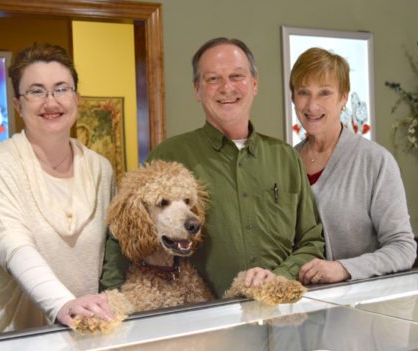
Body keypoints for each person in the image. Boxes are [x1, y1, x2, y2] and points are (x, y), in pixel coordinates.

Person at [100, 37, 324, 297]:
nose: (227, 87)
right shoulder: (170, 155)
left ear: (254, 84)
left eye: (237, 76)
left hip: (281, 312)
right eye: (213, 79)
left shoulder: (285, 158)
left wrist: (278, 277)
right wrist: (109, 301)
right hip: (201, 317)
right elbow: (123, 238)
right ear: (197, 89)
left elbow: (311, 241)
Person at [0, 43, 114, 336]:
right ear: (18, 105)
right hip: (7, 340)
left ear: (77, 98)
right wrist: (62, 303)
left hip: (78, 334)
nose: (51, 102)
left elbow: (111, 257)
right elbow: (12, 244)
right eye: (36, 91)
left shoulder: (100, 168)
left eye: (61, 89)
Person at [290, 47, 416, 286]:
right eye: (303, 92)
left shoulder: (375, 161)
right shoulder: (286, 161)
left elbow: (403, 248)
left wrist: (344, 269)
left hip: (362, 308)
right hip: (300, 308)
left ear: (344, 97)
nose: (312, 105)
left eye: (325, 93)